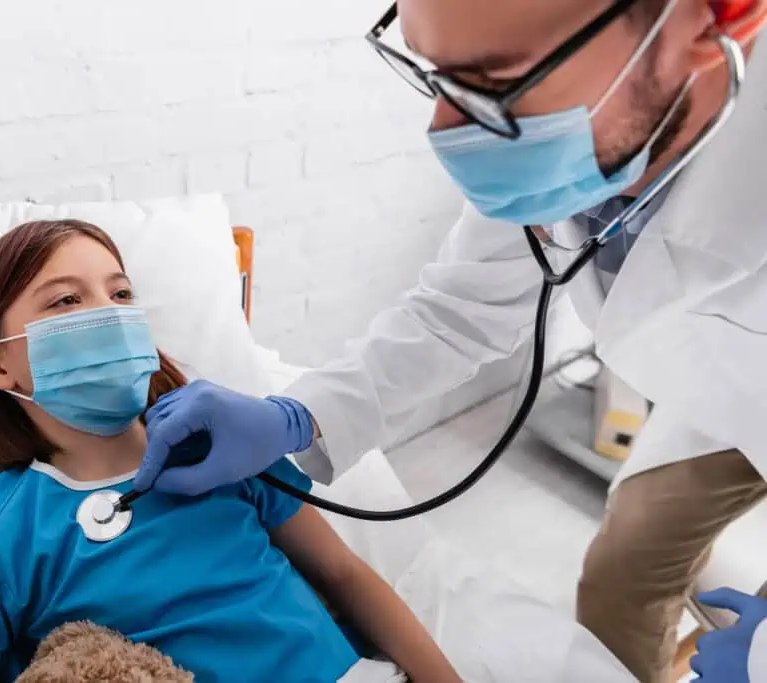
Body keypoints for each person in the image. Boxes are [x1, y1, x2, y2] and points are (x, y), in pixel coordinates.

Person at [134, 1, 767, 682]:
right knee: (627, 566)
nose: (446, 132)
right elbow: (458, 310)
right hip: (715, 400)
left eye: (497, 83)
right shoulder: (574, 137)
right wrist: (297, 416)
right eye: (439, 79)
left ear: (711, 24)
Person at [0, 219, 462, 683]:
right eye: (67, 300)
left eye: (121, 294)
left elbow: (344, 576)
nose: (111, 313)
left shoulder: (226, 449)